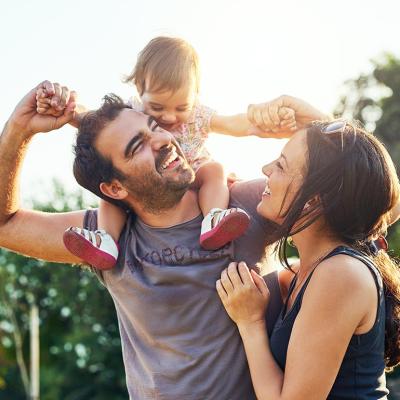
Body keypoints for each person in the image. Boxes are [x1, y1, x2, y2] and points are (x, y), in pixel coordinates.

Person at [0, 81, 326, 399]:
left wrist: (316, 122)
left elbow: (361, 189)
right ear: (115, 189)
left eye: (154, 126)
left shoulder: (247, 205)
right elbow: (5, 225)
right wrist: (19, 128)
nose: (161, 139)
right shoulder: (104, 239)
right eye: (136, 146)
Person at [36, 36, 297, 269]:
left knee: (214, 170)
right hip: (152, 184)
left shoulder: (197, 116)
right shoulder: (132, 113)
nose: (170, 117)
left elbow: (233, 123)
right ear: (140, 90)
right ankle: (106, 240)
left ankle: (214, 218)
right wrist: (65, 109)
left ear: (195, 95)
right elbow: (93, 121)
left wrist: (262, 124)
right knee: (113, 194)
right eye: (158, 107)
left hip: (194, 173)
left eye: (181, 106)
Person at [217, 107, 400, 399]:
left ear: (313, 199)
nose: (265, 169)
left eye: (280, 165)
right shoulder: (302, 274)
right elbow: (379, 195)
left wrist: (250, 324)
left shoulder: (341, 275)